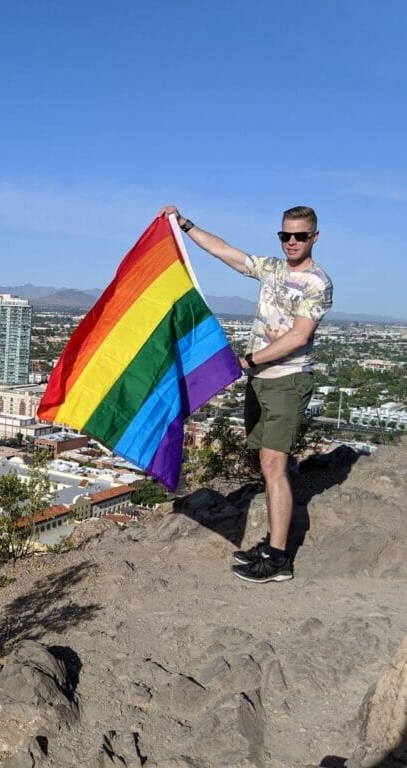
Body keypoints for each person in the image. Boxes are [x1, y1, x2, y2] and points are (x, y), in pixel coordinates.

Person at [158, 204, 333, 583]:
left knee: (273, 466)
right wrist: (184, 224)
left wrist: (246, 359)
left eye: (299, 236)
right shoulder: (272, 269)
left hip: (287, 380)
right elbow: (225, 252)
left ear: (314, 238)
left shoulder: (318, 282)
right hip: (261, 380)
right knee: (268, 464)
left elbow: (299, 337)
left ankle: (279, 559)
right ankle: (273, 542)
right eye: (285, 235)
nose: (291, 242)